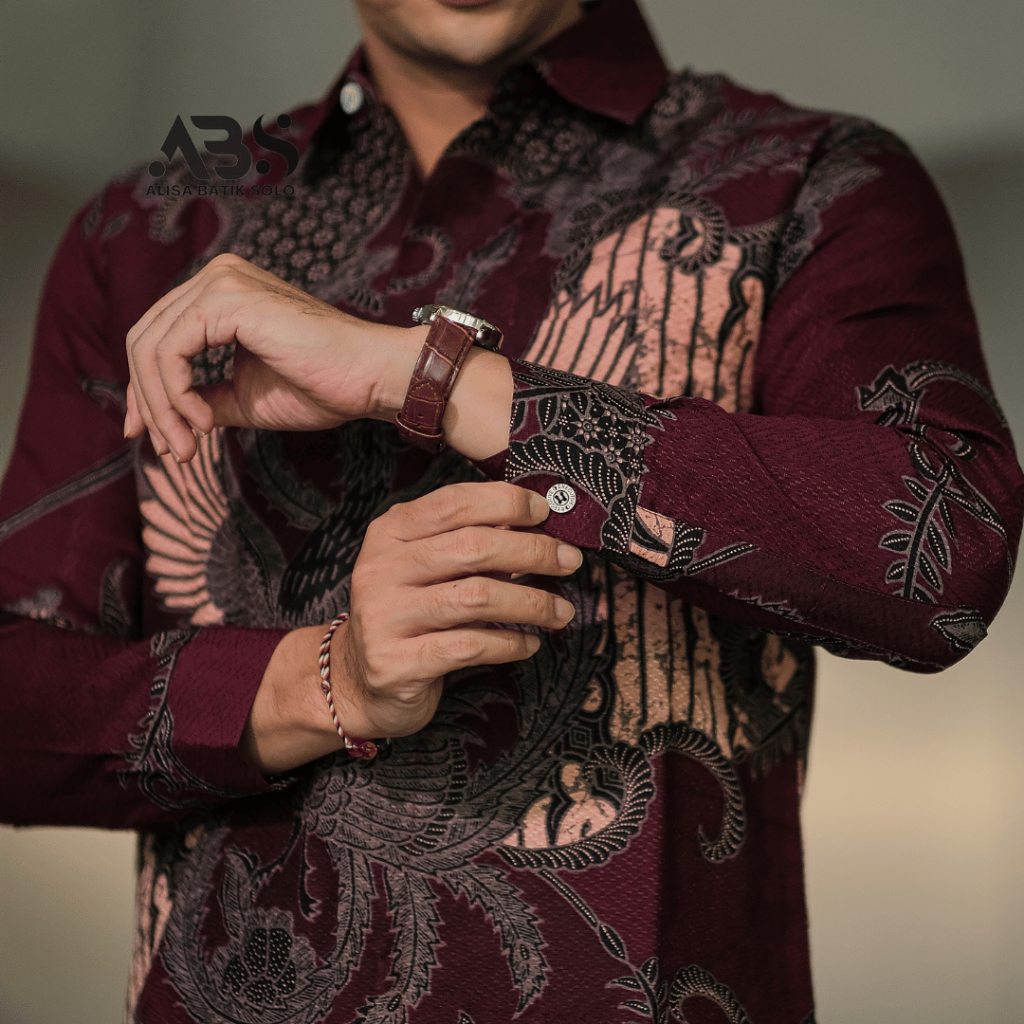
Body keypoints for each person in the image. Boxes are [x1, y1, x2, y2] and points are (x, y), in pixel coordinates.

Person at [1, 0, 1021, 1020]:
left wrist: (436, 379)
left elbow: (945, 547)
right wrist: (323, 684)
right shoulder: (149, 233)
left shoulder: (805, 181)